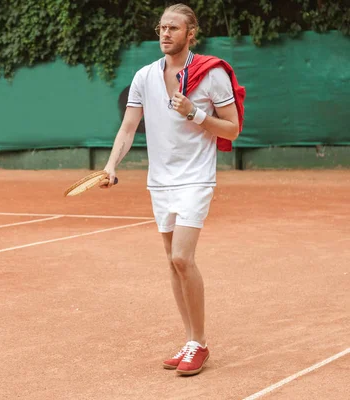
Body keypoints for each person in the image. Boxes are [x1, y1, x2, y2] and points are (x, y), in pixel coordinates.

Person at [101, 3, 244, 376]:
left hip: (196, 178)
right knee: (172, 262)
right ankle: (189, 340)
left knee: (182, 258)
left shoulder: (210, 75)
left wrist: (195, 113)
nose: (165, 34)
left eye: (174, 28)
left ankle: (199, 342)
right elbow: (129, 128)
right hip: (159, 182)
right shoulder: (144, 76)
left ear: (190, 34)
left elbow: (232, 129)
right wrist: (111, 165)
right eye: (162, 28)